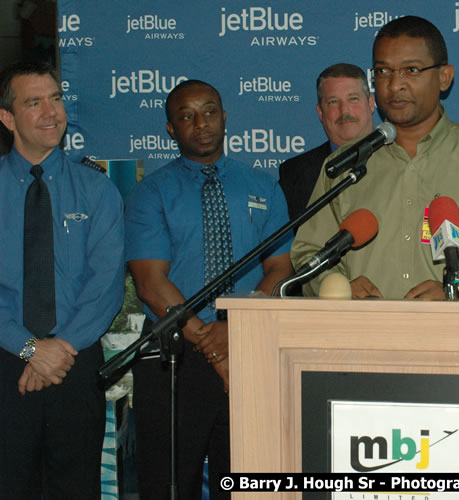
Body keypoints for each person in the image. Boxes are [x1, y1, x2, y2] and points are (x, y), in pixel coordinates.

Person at [292, 16, 459, 300]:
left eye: (411, 70)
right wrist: (338, 288)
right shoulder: (345, 164)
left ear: (444, 77)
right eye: (383, 71)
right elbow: (309, 254)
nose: (395, 84)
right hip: (363, 336)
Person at [125, 79, 293, 500]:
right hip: (175, 353)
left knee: (248, 483)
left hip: (250, 347)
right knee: (167, 484)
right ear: (170, 128)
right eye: (186, 116)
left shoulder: (263, 185)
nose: (200, 123)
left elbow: (280, 266)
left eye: (209, 111)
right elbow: (150, 282)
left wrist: (236, 325)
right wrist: (211, 341)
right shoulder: (151, 193)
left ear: (224, 117)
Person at [0, 61, 125, 499]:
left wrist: (58, 350)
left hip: (74, 362)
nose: (51, 112)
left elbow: (106, 284)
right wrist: (30, 348)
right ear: (7, 117)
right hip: (5, 360)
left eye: (55, 99)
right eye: (34, 102)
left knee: (76, 489)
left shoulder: (97, 189)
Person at [278, 63, 375, 225]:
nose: (345, 111)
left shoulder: (401, 161)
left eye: (353, 99)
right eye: (333, 102)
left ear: (371, 103)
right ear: (320, 112)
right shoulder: (294, 174)